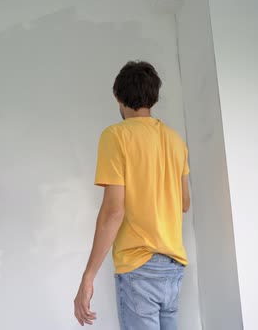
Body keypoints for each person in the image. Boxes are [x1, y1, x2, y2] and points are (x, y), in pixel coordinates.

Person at [74, 61, 191, 329]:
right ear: (154, 97)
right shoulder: (176, 142)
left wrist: (88, 276)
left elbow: (114, 211)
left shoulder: (116, 136)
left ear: (118, 96)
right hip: (173, 267)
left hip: (140, 265)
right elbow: (184, 203)